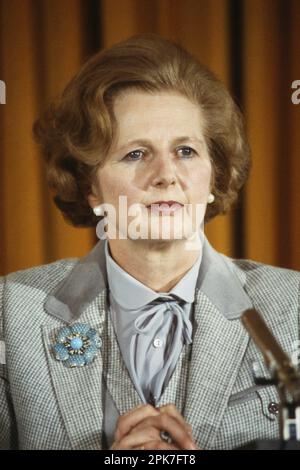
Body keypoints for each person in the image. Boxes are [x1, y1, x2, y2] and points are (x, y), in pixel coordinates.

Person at [0, 33, 299, 451]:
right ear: (90, 186)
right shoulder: (11, 312)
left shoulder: (293, 307)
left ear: (214, 176)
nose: (165, 175)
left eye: (186, 151)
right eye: (136, 154)